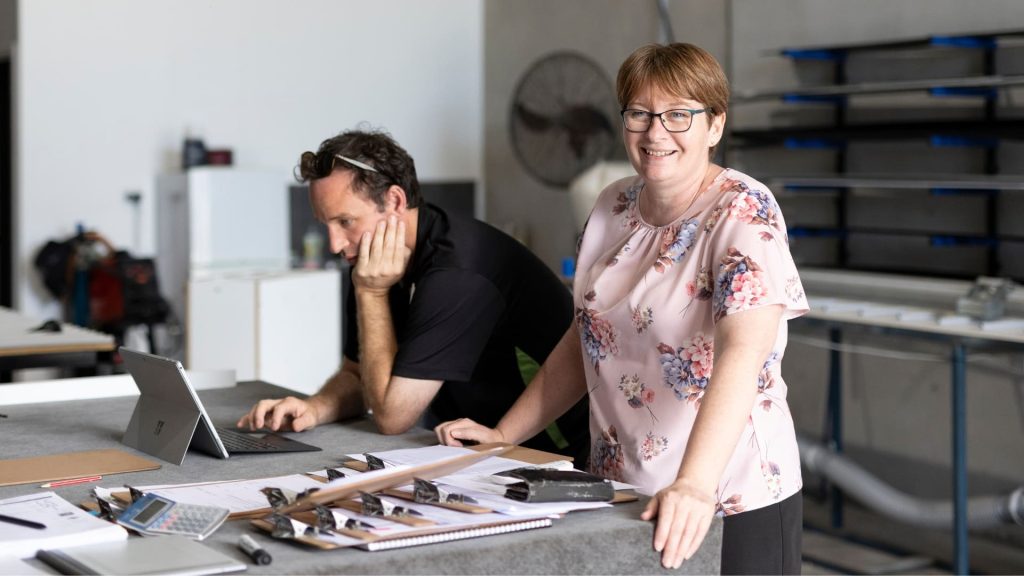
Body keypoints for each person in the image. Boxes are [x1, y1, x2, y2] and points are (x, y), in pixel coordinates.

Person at [435, 43, 808, 574]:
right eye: (640, 113)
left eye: (679, 114)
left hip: (724, 494)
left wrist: (695, 484)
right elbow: (585, 339)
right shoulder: (611, 205)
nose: (656, 132)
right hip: (621, 488)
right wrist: (503, 436)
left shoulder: (742, 211)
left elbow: (742, 355)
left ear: (715, 125)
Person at [236, 128, 589, 464]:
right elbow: (358, 374)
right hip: (472, 448)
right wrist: (314, 408)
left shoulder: (456, 271)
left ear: (394, 200)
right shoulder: (374, 258)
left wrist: (371, 293)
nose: (334, 244)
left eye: (345, 221)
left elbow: (393, 417)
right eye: (325, 224)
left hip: (551, 450)